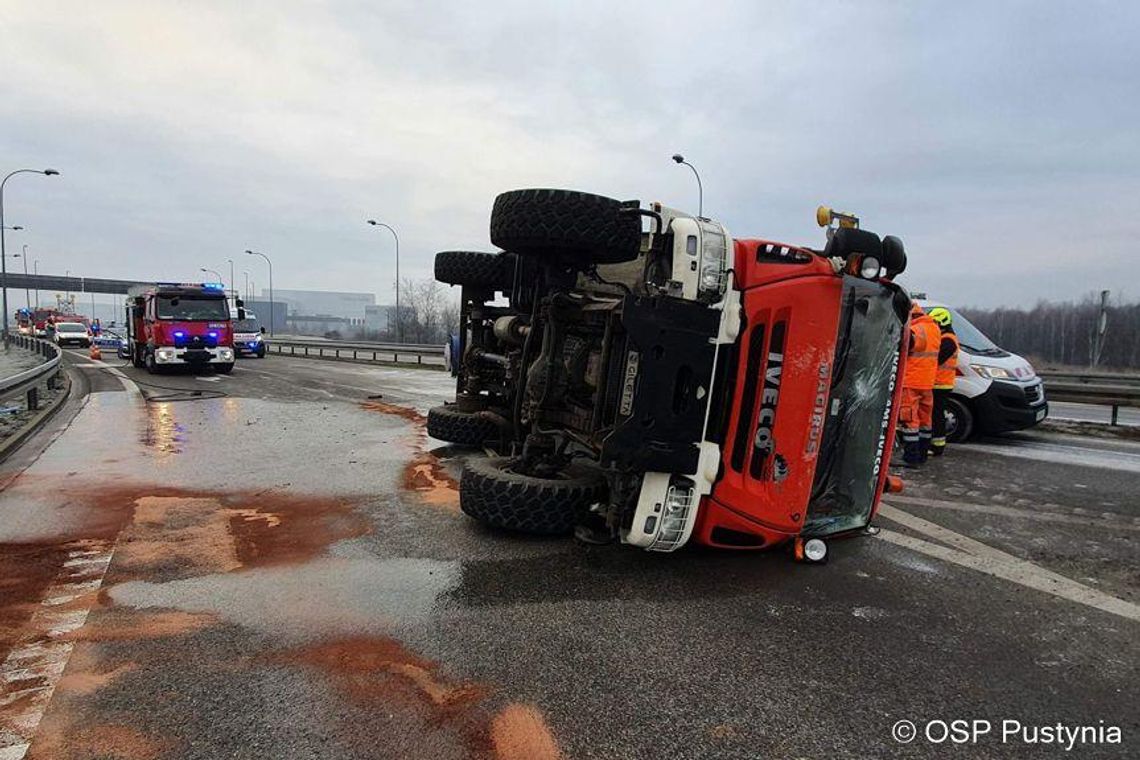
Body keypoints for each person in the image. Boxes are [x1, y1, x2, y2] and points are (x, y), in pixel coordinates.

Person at [896, 302, 941, 467]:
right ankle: (922, 455)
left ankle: (911, 457)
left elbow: (908, 346)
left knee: (910, 421)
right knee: (925, 420)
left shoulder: (916, 329)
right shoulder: (934, 329)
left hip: (911, 381)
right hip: (927, 382)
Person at [928, 307, 960, 457]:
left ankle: (937, 446)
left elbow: (937, 359)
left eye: (935, 323)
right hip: (939, 383)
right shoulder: (947, 338)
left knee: (936, 415)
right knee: (934, 414)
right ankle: (935, 444)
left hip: (940, 384)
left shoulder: (948, 340)